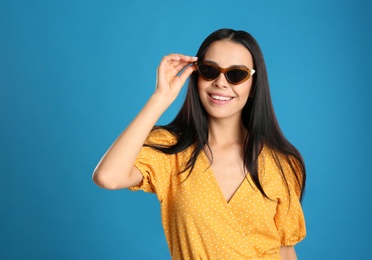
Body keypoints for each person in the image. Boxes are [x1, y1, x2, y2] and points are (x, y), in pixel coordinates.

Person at [93, 28, 306, 260]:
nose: (221, 83)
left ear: (254, 85)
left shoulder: (282, 163)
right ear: (196, 76)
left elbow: (285, 249)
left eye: (236, 74)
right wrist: (161, 97)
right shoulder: (172, 151)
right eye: (210, 71)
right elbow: (108, 177)